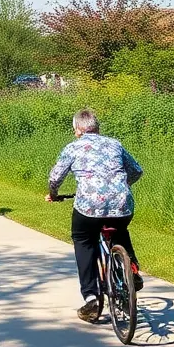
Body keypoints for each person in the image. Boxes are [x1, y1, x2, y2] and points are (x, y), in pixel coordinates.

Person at [46, 109, 144, 322]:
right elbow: (136, 170)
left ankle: (91, 297)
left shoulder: (73, 147)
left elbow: (55, 178)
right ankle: (132, 271)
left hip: (89, 208)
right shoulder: (114, 144)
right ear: (97, 128)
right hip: (122, 203)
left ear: (77, 130)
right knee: (120, 231)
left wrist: (53, 195)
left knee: (83, 240)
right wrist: (120, 185)